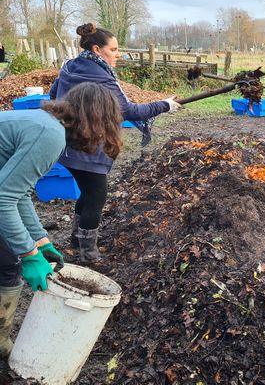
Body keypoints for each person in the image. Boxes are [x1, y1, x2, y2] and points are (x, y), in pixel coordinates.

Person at [0, 82, 120, 358]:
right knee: (8, 265)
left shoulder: (46, 125)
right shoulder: (49, 134)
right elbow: (4, 198)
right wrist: (29, 254)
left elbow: (18, 193)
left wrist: (40, 240)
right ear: (96, 117)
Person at [49, 23, 180, 261]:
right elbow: (128, 110)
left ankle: (77, 240)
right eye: (114, 49)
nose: (118, 54)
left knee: (88, 191)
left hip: (66, 142)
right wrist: (164, 105)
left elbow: (53, 93)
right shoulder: (101, 76)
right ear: (98, 49)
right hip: (88, 146)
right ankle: (88, 253)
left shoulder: (70, 66)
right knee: (97, 195)